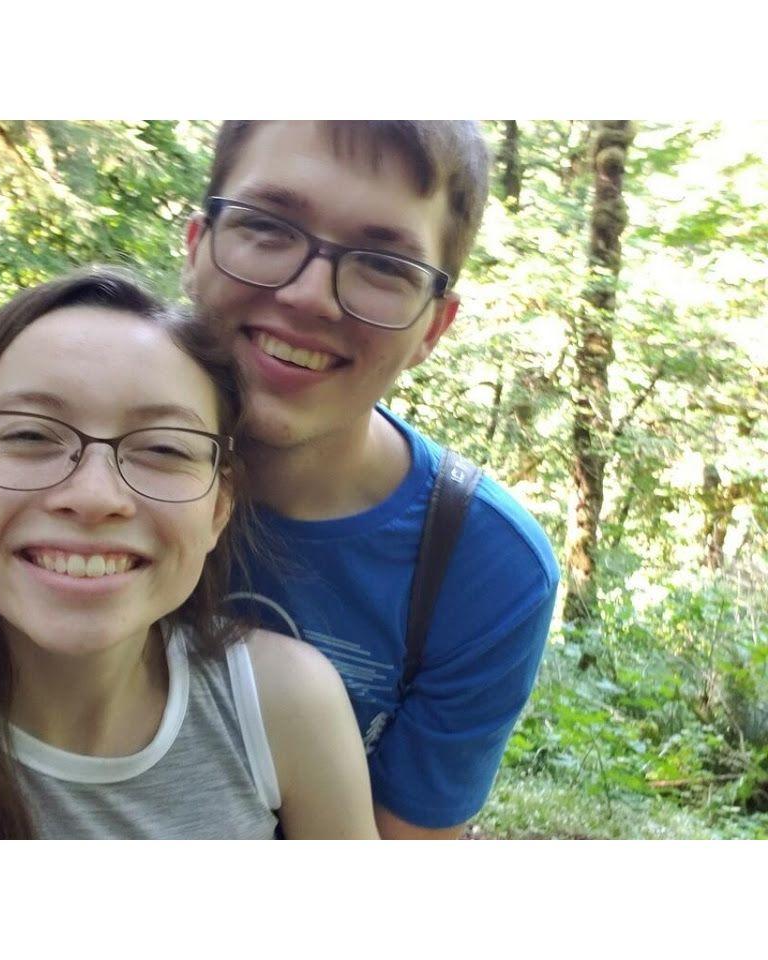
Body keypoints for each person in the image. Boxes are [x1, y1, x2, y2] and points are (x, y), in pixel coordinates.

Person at [0, 266, 378, 840]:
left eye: (162, 448)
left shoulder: (285, 706)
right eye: (30, 435)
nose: (94, 497)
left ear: (218, 507)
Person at [184, 120, 560, 838]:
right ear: (198, 246)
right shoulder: (55, 459)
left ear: (433, 328)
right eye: (268, 227)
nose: (310, 296)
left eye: (385, 266)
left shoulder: (483, 569)